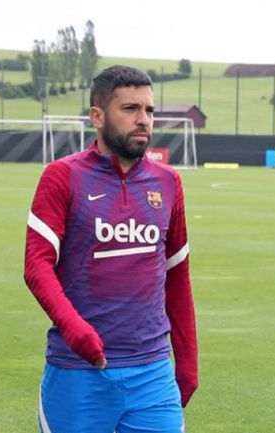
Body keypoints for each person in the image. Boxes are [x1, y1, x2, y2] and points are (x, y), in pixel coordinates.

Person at [24, 65, 198, 433]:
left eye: (149, 111)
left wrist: (187, 360)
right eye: (130, 109)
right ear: (98, 116)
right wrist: (75, 330)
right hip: (78, 374)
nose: (143, 120)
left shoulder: (168, 182)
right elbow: (37, 266)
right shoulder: (62, 176)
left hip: (152, 372)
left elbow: (177, 275)